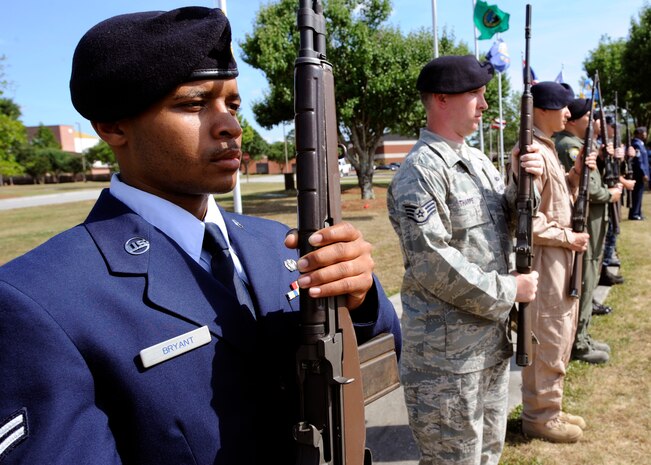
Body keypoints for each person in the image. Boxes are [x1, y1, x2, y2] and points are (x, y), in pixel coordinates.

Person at [0, 8, 401, 464]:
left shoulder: (279, 247)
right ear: (113, 126)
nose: (230, 125)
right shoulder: (39, 300)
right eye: (193, 104)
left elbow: (383, 362)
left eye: (232, 105)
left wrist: (360, 301)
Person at [387, 55, 542, 465]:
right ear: (441, 99)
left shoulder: (475, 161)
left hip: (487, 345)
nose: (485, 105)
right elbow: (432, 262)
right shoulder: (420, 170)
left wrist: (523, 181)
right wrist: (510, 290)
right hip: (446, 361)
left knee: (487, 455)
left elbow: (508, 223)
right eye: (475, 94)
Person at [520, 81, 596, 443]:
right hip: (546, 259)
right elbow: (529, 221)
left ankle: (552, 407)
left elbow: (557, 199)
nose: (570, 113)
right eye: (563, 107)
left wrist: (577, 173)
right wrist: (570, 238)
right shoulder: (530, 150)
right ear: (545, 109)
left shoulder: (548, 149)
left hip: (561, 257)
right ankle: (539, 416)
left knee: (561, 333)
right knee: (548, 334)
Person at [554, 98, 621, 364]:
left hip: (588, 220)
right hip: (585, 221)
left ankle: (581, 336)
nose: (593, 122)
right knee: (585, 281)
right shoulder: (570, 146)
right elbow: (590, 189)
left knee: (587, 281)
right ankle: (578, 343)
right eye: (589, 117)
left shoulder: (575, 144)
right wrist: (611, 195)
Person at [630, 126, 650, 220]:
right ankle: (634, 214)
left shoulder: (640, 144)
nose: (645, 134)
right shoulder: (636, 144)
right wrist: (643, 173)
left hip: (640, 173)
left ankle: (638, 212)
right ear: (639, 133)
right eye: (644, 132)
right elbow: (639, 161)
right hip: (638, 174)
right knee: (637, 194)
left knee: (639, 193)